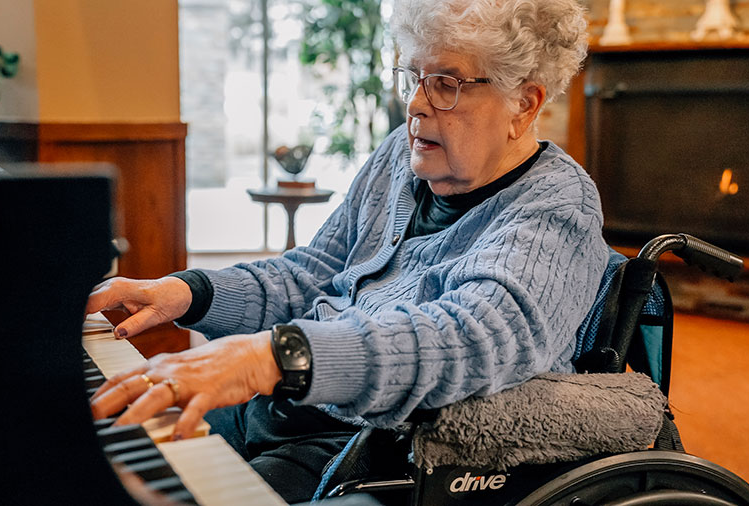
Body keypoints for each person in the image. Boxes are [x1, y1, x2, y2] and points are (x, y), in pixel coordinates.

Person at [87, 0, 607, 501]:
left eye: (446, 83)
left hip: (363, 453)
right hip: (278, 408)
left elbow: (471, 338)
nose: (417, 103)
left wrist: (271, 357)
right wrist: (189, 292)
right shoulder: (398, 157)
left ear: (524, 102)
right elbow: (314, 275)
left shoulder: (557, 207)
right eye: (414, 77)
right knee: (100, 448)